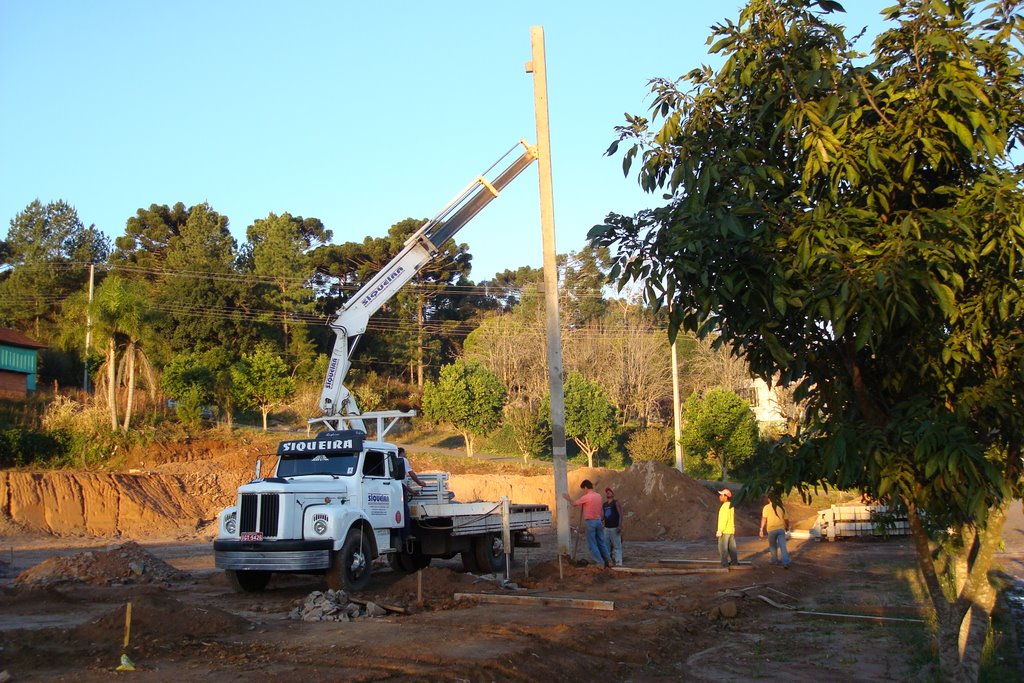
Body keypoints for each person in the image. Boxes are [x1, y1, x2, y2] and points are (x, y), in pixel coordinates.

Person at [563, 479, 612, 568]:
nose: (584, 491)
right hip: (598, 521)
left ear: (585, 487)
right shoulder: (599, 496)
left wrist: (568, 498)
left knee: (592, 543)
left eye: (583, 489)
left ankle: (600, 562)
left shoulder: (586, 497)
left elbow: (574, 504)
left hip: (591, 522)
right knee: (601, 542)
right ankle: (608, 560)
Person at [398, 448, 426, 541]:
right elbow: (412, 474)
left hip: (398, 487)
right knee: (405, 511)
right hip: (400, 489)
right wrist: (419, 483)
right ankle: (406, 534)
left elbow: (402, 483)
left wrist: (412, 492)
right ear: (401, 453)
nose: (406, 455)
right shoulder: (402, 460)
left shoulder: (393, 461)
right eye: (405, 453)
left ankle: (400, 533)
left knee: (400, 511)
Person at [759, 496, 791, 568]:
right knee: (783, 546)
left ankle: (774, 560)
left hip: (771, 530)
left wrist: (761, 529)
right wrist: (787, 527)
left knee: (773, 546)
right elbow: (786, 519)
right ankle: (785, 562)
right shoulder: (782, 507)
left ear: (769, 499)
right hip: (780, 529)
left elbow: (764, 519)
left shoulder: (766, 507)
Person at [716, 488, 738, 567]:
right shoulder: (731, 505)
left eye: (721, 495)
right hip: (730, 530)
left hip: (725, 531)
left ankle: (724, 564)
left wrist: (720, 530)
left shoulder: (724, 507)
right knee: (732, 548)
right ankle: (734, 562)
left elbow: (724, 519)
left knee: (723, 548)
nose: (720, 496)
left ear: (726, 497)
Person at [602, 487, 624, 566]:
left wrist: (620, 526)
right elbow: (604, 516)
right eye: (607, 492)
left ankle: (618, 563)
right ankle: (608, 562)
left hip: (615, 528)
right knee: (606, 546)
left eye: (609, 491)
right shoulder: (604, 505)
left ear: (613, 494)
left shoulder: (616, 503)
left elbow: (621, 514)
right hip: (606, 528)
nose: (608, 492)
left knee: (617, 546)